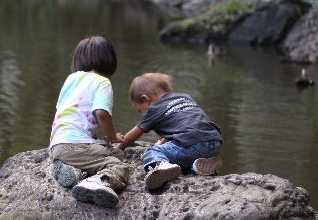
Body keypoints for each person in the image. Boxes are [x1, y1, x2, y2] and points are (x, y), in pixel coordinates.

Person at [49, 36, 127, 208]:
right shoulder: (102, 82)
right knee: (117, 162)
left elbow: (72, 114)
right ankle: (98, 182)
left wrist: (97, 139)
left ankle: (73, 172)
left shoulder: (71, 80)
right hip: (76, 146)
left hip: (57, 146)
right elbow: (101, 113)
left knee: (106, 152)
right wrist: (112, 136)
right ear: (110, 61)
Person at [117, 73, 222, 189]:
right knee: (186, 155)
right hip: (214, 141)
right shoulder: (184, 97)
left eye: (140, 110)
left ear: (146, 99)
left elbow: (132, 137)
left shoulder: (153, 109)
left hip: (193, 145)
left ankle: (160, 166)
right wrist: (162, 143)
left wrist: (116, 150)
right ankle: (205, 162)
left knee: (152, 152)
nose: (142, 114)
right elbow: (182, 127)